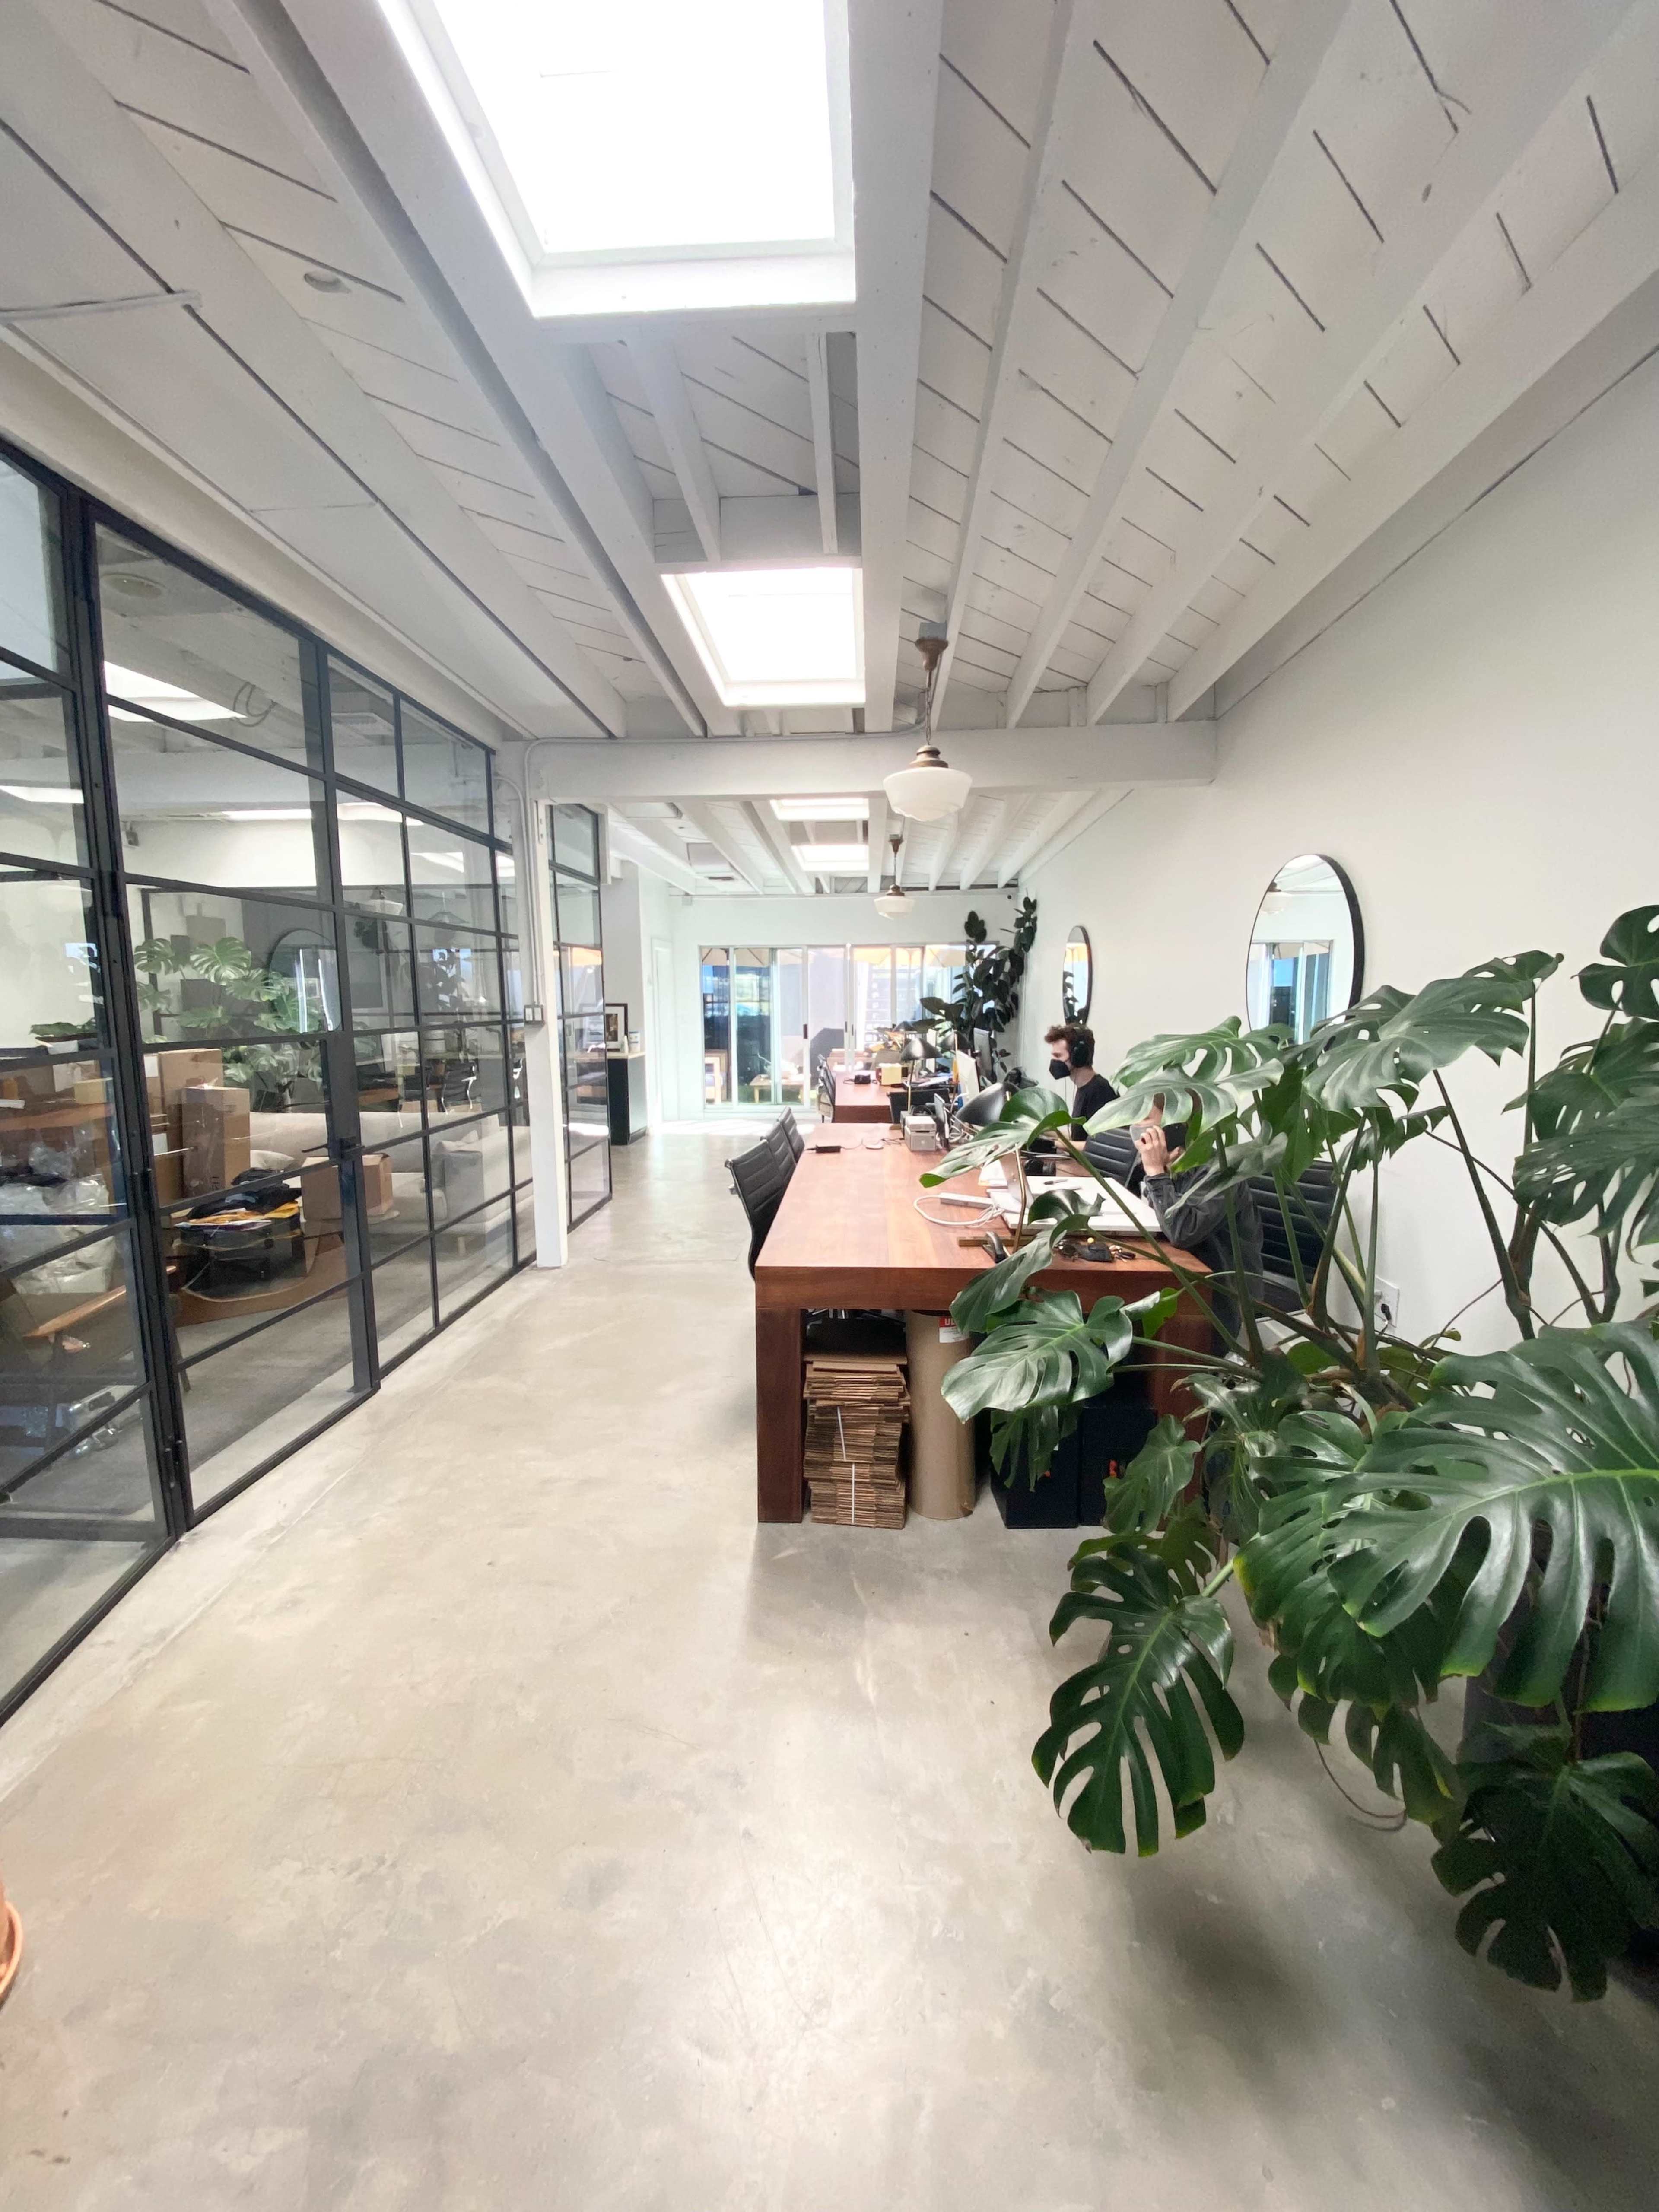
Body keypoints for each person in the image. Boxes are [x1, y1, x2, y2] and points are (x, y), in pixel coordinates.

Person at [1127, 1098, 1264, 1336]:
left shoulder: (1220, 1170)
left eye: (1146, 1119)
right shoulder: (1166, 1161)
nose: (1137, 1126)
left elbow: (1182, 1231)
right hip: (1180, 1277)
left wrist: (1156, 1173)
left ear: (1176, 1125)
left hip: (1221, 1297)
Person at [1043, 1023, 1116, 1134]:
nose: (1053, 1061)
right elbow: (1077, 1137)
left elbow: (1098, 1145)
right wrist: (1041, 1132)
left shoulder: (1101, 1091)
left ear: (1079, 1056)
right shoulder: (1084, 1088)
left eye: (1058, 1056)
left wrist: (1054, 1144)